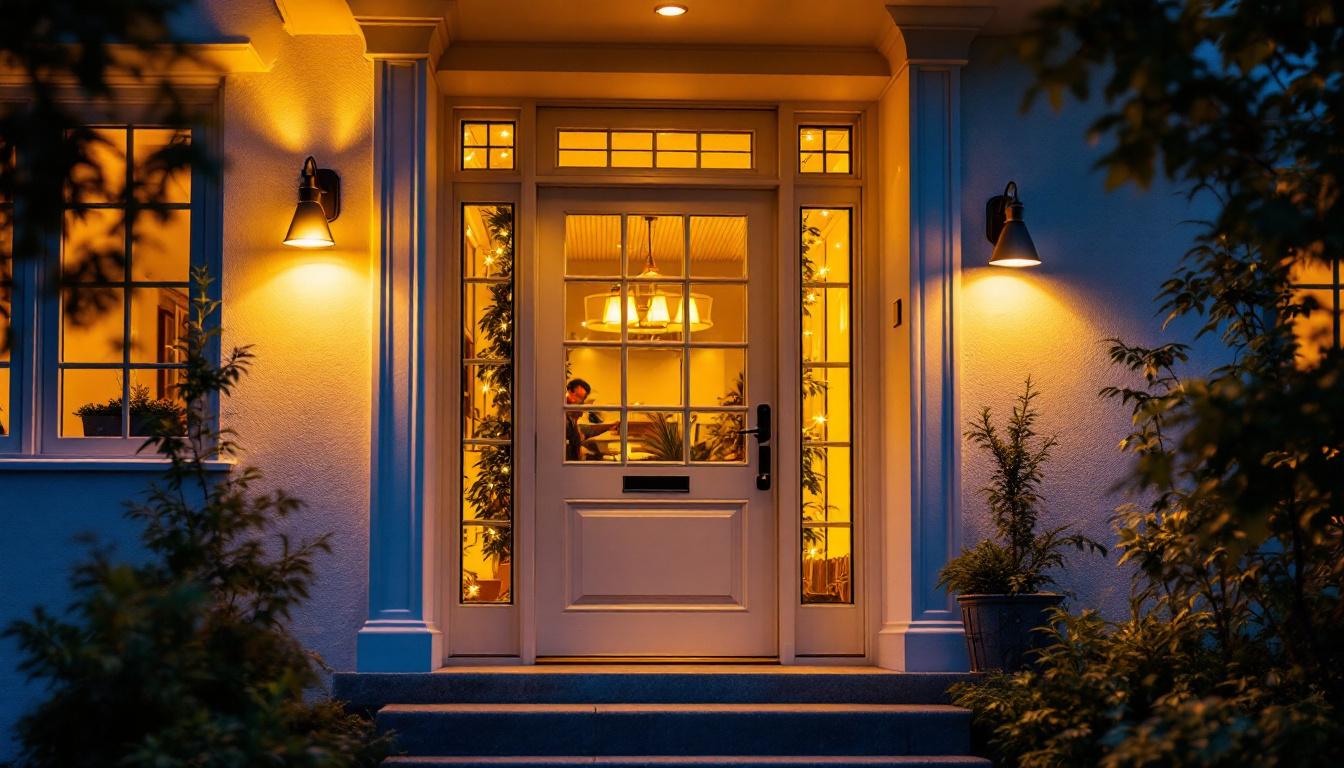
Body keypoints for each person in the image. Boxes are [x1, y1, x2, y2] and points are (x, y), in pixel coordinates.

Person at [564, 378, 612, 461]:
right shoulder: (562, 416)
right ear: (568, 391)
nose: (576, 400)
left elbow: (584, 430)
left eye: (581, 399)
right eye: (576, 396)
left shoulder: (572, 416)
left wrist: (610, 426)